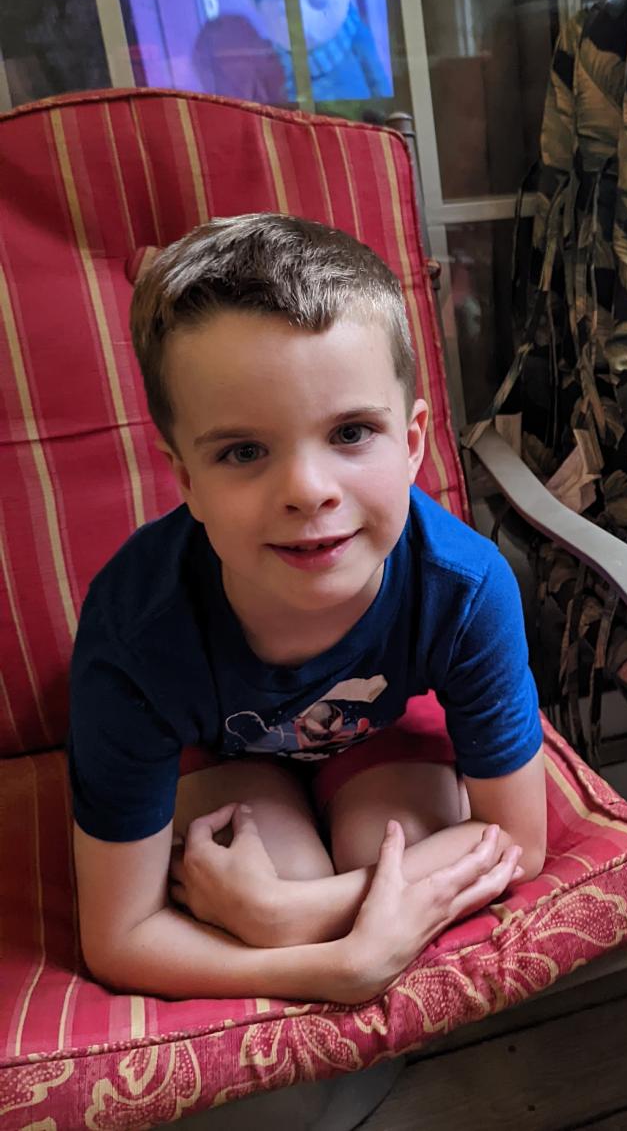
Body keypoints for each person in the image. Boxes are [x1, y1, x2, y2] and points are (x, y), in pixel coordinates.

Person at [69, 213, 546, 1006]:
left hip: (379, 733)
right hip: (217, 754)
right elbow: (119, 936)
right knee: (276, 863)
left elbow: (516, 840)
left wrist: (284, 914)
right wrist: (326, 967)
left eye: (352, 432)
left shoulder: (464, 587)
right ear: (183, 475)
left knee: (374, 849)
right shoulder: (133, 634)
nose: (307, 490)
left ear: (415, 440)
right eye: (243, 451)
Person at [252, 0, 392, 102]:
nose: (303, 19)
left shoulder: (353, 32)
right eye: (284, 11)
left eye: (319, 0)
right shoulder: (272, 55)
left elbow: (378, 82)